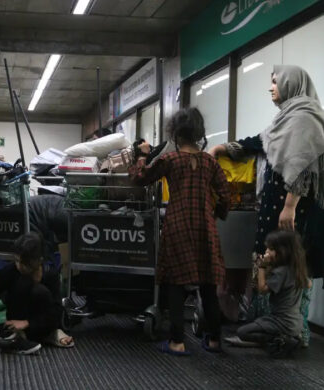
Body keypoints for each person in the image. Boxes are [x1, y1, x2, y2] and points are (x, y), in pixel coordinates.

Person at [209, 65, 324, 347]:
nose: (270, 87)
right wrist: (221, 149)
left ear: (291, 83)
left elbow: (304, 165)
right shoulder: (284, 119)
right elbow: (259, 143)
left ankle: (293, 334)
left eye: (275, 82)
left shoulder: (306, 119)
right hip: (276, 210)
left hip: (294, 214)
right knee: (271, 262)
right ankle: (267, 330)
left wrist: (290, 206)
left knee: (290, 265)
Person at [129, 107, 231, 355]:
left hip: (177, 226)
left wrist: (142, 155)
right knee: (208, 284)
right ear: (199, 132)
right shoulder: (209, 161)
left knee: (175, 283)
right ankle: (215, 340)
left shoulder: (170, 160)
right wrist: (215, 213)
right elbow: (226, 195)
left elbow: (140, 178)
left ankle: (177, 342)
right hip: (205, 228)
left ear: (175, 132)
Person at [230, 230, 310, 358]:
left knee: (242, 332)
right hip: (295, 322)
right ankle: (284, 338)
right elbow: (308, 284)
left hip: (281, 322)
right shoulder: (297, 269)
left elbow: (262, 289)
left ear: (283, 251)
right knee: (258, 323)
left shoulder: (281, 272)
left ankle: (280, 340)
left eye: (270, 249)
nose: (266, 251)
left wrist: (262, 266)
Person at [0, 232, 74, 348]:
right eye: (17, 261)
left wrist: (28, 323)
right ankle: (24, 336)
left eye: (25, 263)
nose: (20, 266)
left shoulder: (50, 274)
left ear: (39, 260)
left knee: (40, 291)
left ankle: (49, 334)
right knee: (22, 283)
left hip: (41, 322)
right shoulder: (11, 271)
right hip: (16, 320)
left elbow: (56, 311)